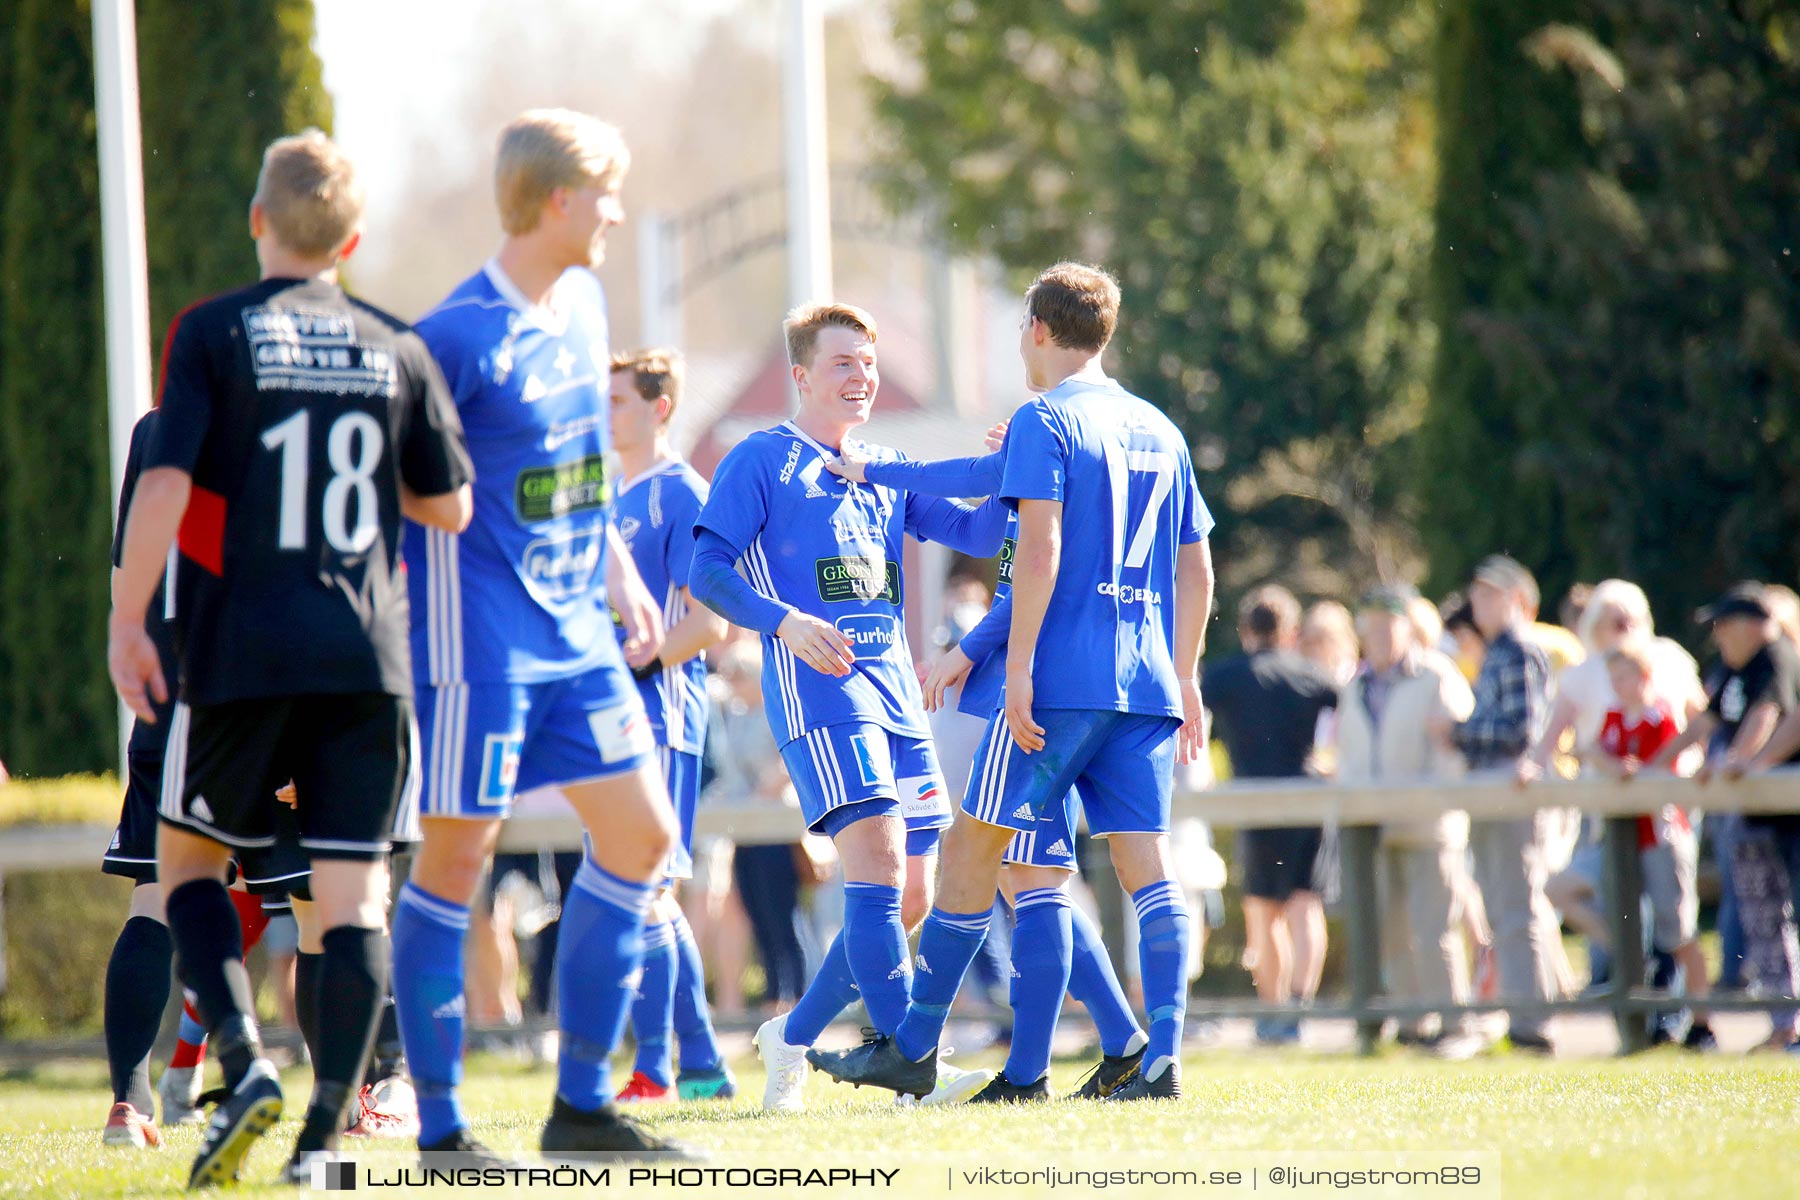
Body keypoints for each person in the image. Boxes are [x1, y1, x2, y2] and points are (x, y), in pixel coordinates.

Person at [105, 129, 473, 1185]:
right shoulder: (395, 344)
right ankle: (325, 1138)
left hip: (243, 651)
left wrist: (129, 619)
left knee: (184, 870)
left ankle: (237, 1056)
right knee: (352, 902)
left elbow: (166, 487)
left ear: (258, 220)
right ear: (353, 238)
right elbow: (449, 504)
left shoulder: (214, 332)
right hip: (366, 660)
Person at [806, 261, 1213, 1102]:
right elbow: (1197, 565)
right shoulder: (1160, 428)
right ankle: (1159, 1059)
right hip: (1144, 689)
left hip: (1058, 685)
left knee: (972, 851)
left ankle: (913, 1045)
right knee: (1144, 873)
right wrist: (1188, 675)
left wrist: (1017, 666)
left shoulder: (1047, 417)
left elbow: (1039, 548)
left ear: (1037, 330)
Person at [390, 109, 691, 1161]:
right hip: (478, 645)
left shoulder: (588, 302)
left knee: (646, 837)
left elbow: (585, 462)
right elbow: (394, 499)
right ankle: (440, 1130)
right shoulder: (450, 339)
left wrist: (613, 568)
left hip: (578, 635)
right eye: (605, 194)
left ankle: (578, 1112)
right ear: (557, 200)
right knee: (455, 861)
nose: (616, 212)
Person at [687, 301, 1005, 1112]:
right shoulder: (759, 460)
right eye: (842, 364)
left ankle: (789, 1038)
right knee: (879, 866)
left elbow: (973, 535)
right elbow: (708, 572)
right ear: (801, 376)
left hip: (898, 700)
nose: (861, 377)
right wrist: (784, 622)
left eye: (867, 364)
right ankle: (915, 1072)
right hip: (824, 701)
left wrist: (1015, 473)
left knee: (912, 897)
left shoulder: (885, 464)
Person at [830, 428, 1152, 1102]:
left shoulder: (1056, 452)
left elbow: (1037, 585)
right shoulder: (1037, 475)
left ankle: (1010, 1069)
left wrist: (966, 650)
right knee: (1022, 877)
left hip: (1035, 697)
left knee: (1014, 873)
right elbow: (977, 512)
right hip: (1027, 696)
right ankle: (1124, 1044)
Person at [606, 348, 734, 1104]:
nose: (605, 414)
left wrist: (635, 671)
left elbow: (709, 623)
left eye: (618, 400)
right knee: (644, 893)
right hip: (613, 718)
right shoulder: (610, 496)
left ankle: (656, 1070)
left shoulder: (682, 492)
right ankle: (706, 1068)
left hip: (659, 715)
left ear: (658, 408)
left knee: (645, 890)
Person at [1650, 583, 1800, 1048]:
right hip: (1756, 814)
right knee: (1762, 919)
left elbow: (1769, 713)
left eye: (1724, 624)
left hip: (1787, 812)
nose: (1718, 635)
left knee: (1782, 915)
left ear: (1755, 624)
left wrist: (1741, 761)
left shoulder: (1777, 656)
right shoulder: (1733, 670)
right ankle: (1785, 1023)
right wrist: (1658, 765)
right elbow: (1706, 721)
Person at [1336, 586, 1481, 1056]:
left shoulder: (1436, 675)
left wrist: (1433, 802)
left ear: (1409, 627)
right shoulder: (1354, 684)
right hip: (1374, 826)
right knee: (1391, 930)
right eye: (1370, 625)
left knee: (1435, 927)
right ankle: (1411, 1021)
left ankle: (1455, 1024)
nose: (1378, 634)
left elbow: (1456, 752)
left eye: (1388, 624)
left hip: (1429, 825)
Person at [1432, 555, 1557, 1053]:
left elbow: (1520, 731)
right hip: (1495, 789)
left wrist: (1457, 733)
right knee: (1508, 906)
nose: (1478, 604)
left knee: (1516, 908)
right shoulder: (1499, 650)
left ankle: (1533, 1024)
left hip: (1511, 789)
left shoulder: (1520, 649)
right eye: (1477, 594)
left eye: (1490, 594)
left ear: (1518, 601)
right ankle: (1525, 1017)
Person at [1203, 585, 1338, 1043]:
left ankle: (1272, 1010)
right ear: (1291, 631)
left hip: (1256, 801)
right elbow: (1347, 716)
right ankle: (1299, 1007)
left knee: (1265, 912)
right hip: (1307, 799)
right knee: (1305, 905)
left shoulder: (1225, 677)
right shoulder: (1312, 676)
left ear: (1245, 630)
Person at [1569, 644, 1715, 1049]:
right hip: (1625, 837)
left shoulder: (1659, 715)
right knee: (1626, 923)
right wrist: (1611, 765)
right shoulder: (1616, 716)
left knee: (1679, 931)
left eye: (1625, 676)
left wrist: (1623, 768)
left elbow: (1656, 766)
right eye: (1613, 678)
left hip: (1662, 833)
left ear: (1645, 676)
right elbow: (1596, 752)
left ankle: (1701, 1022)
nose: (1618, 686)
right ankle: (1640, 1016)